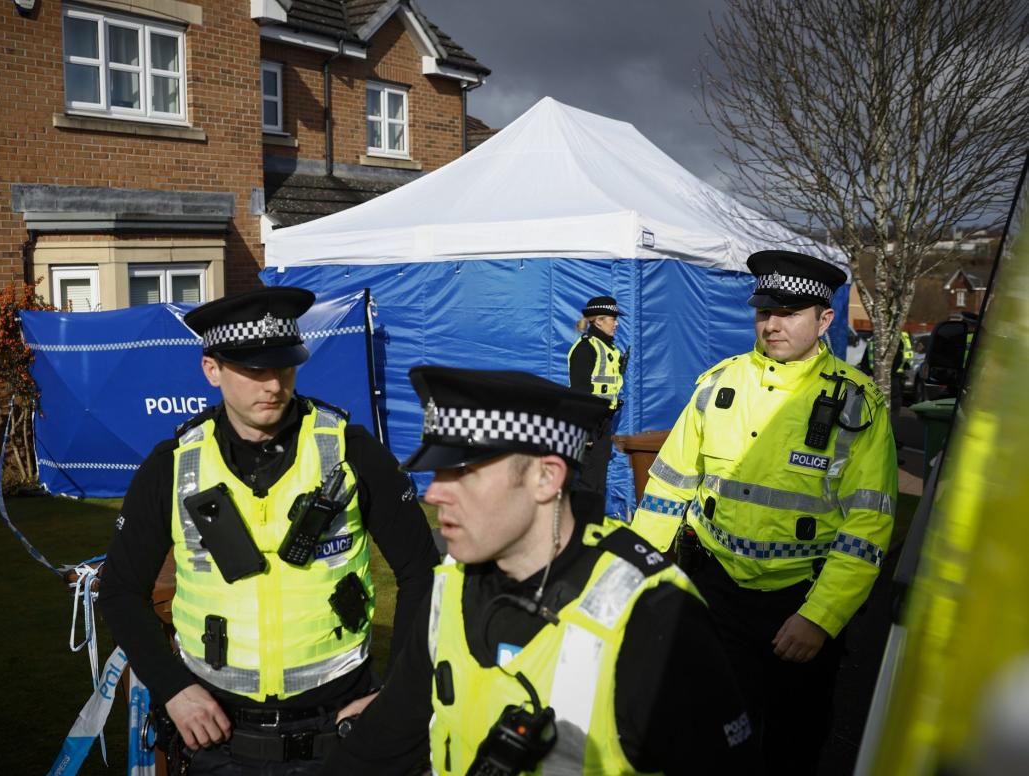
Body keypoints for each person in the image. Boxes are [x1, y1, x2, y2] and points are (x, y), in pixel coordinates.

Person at [322, 367, 759, 774]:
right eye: (437, 472)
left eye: (464, 472)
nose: (434, 494)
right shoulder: (453, 582)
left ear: (547, 479)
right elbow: (386, 739)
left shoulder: (654, 614)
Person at [99, 286, 440, 774]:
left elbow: (423, 573)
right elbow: (119, 591)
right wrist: (173, 689)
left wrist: (396, 696)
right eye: (253, 370)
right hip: (220, 739)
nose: (273, 385)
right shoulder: (171, 465)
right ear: (211, 369)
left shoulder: (352, 451)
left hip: (341, 734)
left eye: (284, 365)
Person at [629, 250, 897, 773]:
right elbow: (668, 484)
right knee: (711, 733)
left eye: (790, 312)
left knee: (792, 744)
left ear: (824, 320)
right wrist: (638, 572)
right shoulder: (718, 384)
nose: (772, 324)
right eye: (764, 311)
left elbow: (868, 525)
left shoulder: (856, 404)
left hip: (799, 602)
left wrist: (820, 617)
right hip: (716, 593)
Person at [567, 295, 628, 510]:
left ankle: (592, 526)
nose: (617, 323)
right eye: (613, 318)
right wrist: (585, 432)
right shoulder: (586, 348)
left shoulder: (611, 349)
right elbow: (579, 393)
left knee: (598, 481)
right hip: (590, 424)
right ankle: (581, 529)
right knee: (587, 481)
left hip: (604, 423)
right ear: (599, 320)